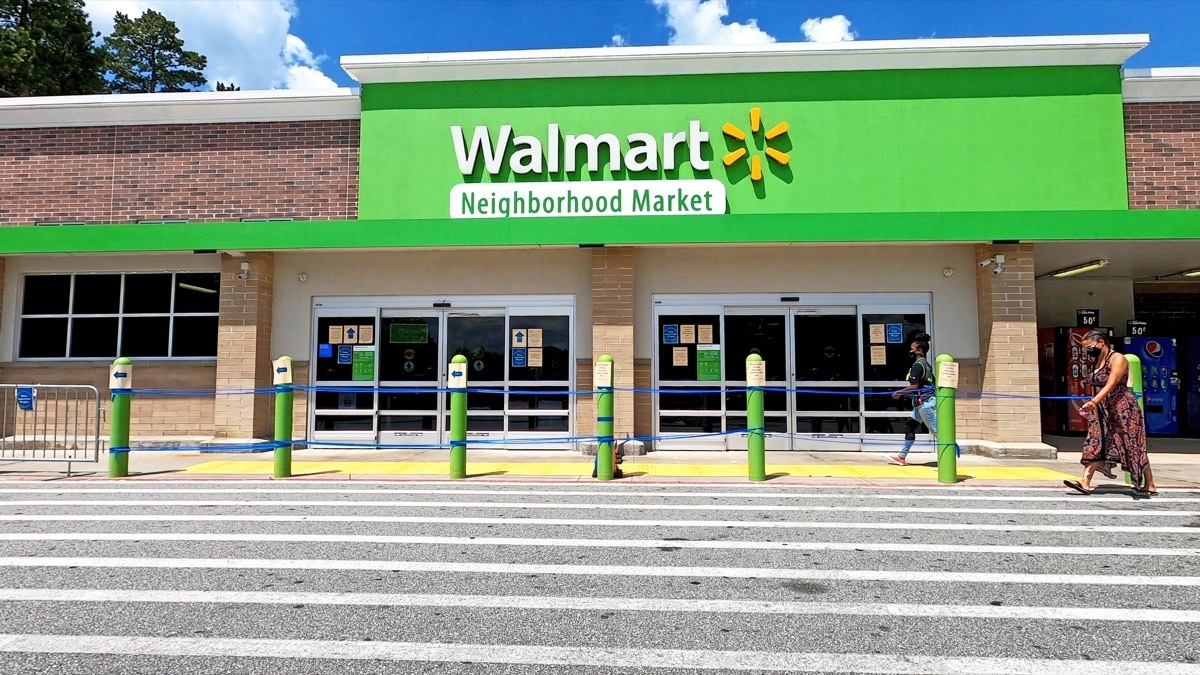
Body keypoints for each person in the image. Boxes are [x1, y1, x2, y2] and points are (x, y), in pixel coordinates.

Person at [1064, 329, 1157, 496]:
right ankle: (1085, 482)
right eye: (1084, 349)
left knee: (1132, 445)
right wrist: (1095, 403)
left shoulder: (1118, 358)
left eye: (1090, 346)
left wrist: (1094, 400)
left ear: (1101, 343)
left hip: (1123, 408)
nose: (1088, 351)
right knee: (1096, 441)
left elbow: (1112, 383)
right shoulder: (1097, 360)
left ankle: (1149, 483)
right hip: (1102, 409)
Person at [889, 333, 936, 465]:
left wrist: (899, 392)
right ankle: (902, 457)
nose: (910, 351)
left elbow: (914, 385)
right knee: (909, 426)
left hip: (924, 403)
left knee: (938, 432)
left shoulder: (917, 366)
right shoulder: (926, 364)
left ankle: (948, 461)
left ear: (919, 350)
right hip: (920, 403)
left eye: (912, 349)